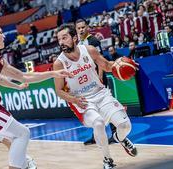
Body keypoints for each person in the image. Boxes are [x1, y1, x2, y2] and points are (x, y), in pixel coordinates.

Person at [0, 4, 71, 169]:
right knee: (23, 133)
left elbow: (24, 76)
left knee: (12, 139)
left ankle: (25, 163)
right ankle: (24, 164)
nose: (4, 36)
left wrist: (52, 74)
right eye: (1, 33)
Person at [53, 24, 137, 169]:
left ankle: (119, 138)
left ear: (74, 38)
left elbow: (107, 66)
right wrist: (73, 99)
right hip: (81, 100)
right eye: (59, 39)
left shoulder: (89, 50)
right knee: (98, 123)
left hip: (101, 93)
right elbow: (59, 91)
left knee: (125, 125)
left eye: (64, 38)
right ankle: (107, 159)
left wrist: (125, 64)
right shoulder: (59, 63)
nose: (61, 42)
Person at [75, 19, 117, 145]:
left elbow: (100, 61)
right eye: (79, 28)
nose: (81, 29)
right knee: (93, 108)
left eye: (83, 27)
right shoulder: (79, 43)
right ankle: (95, 136)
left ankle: (115, 134)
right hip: (89, 81)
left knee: (106, 106)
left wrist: (99, 78)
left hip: (98, 79)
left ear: (87, 27)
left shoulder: (93, 41)